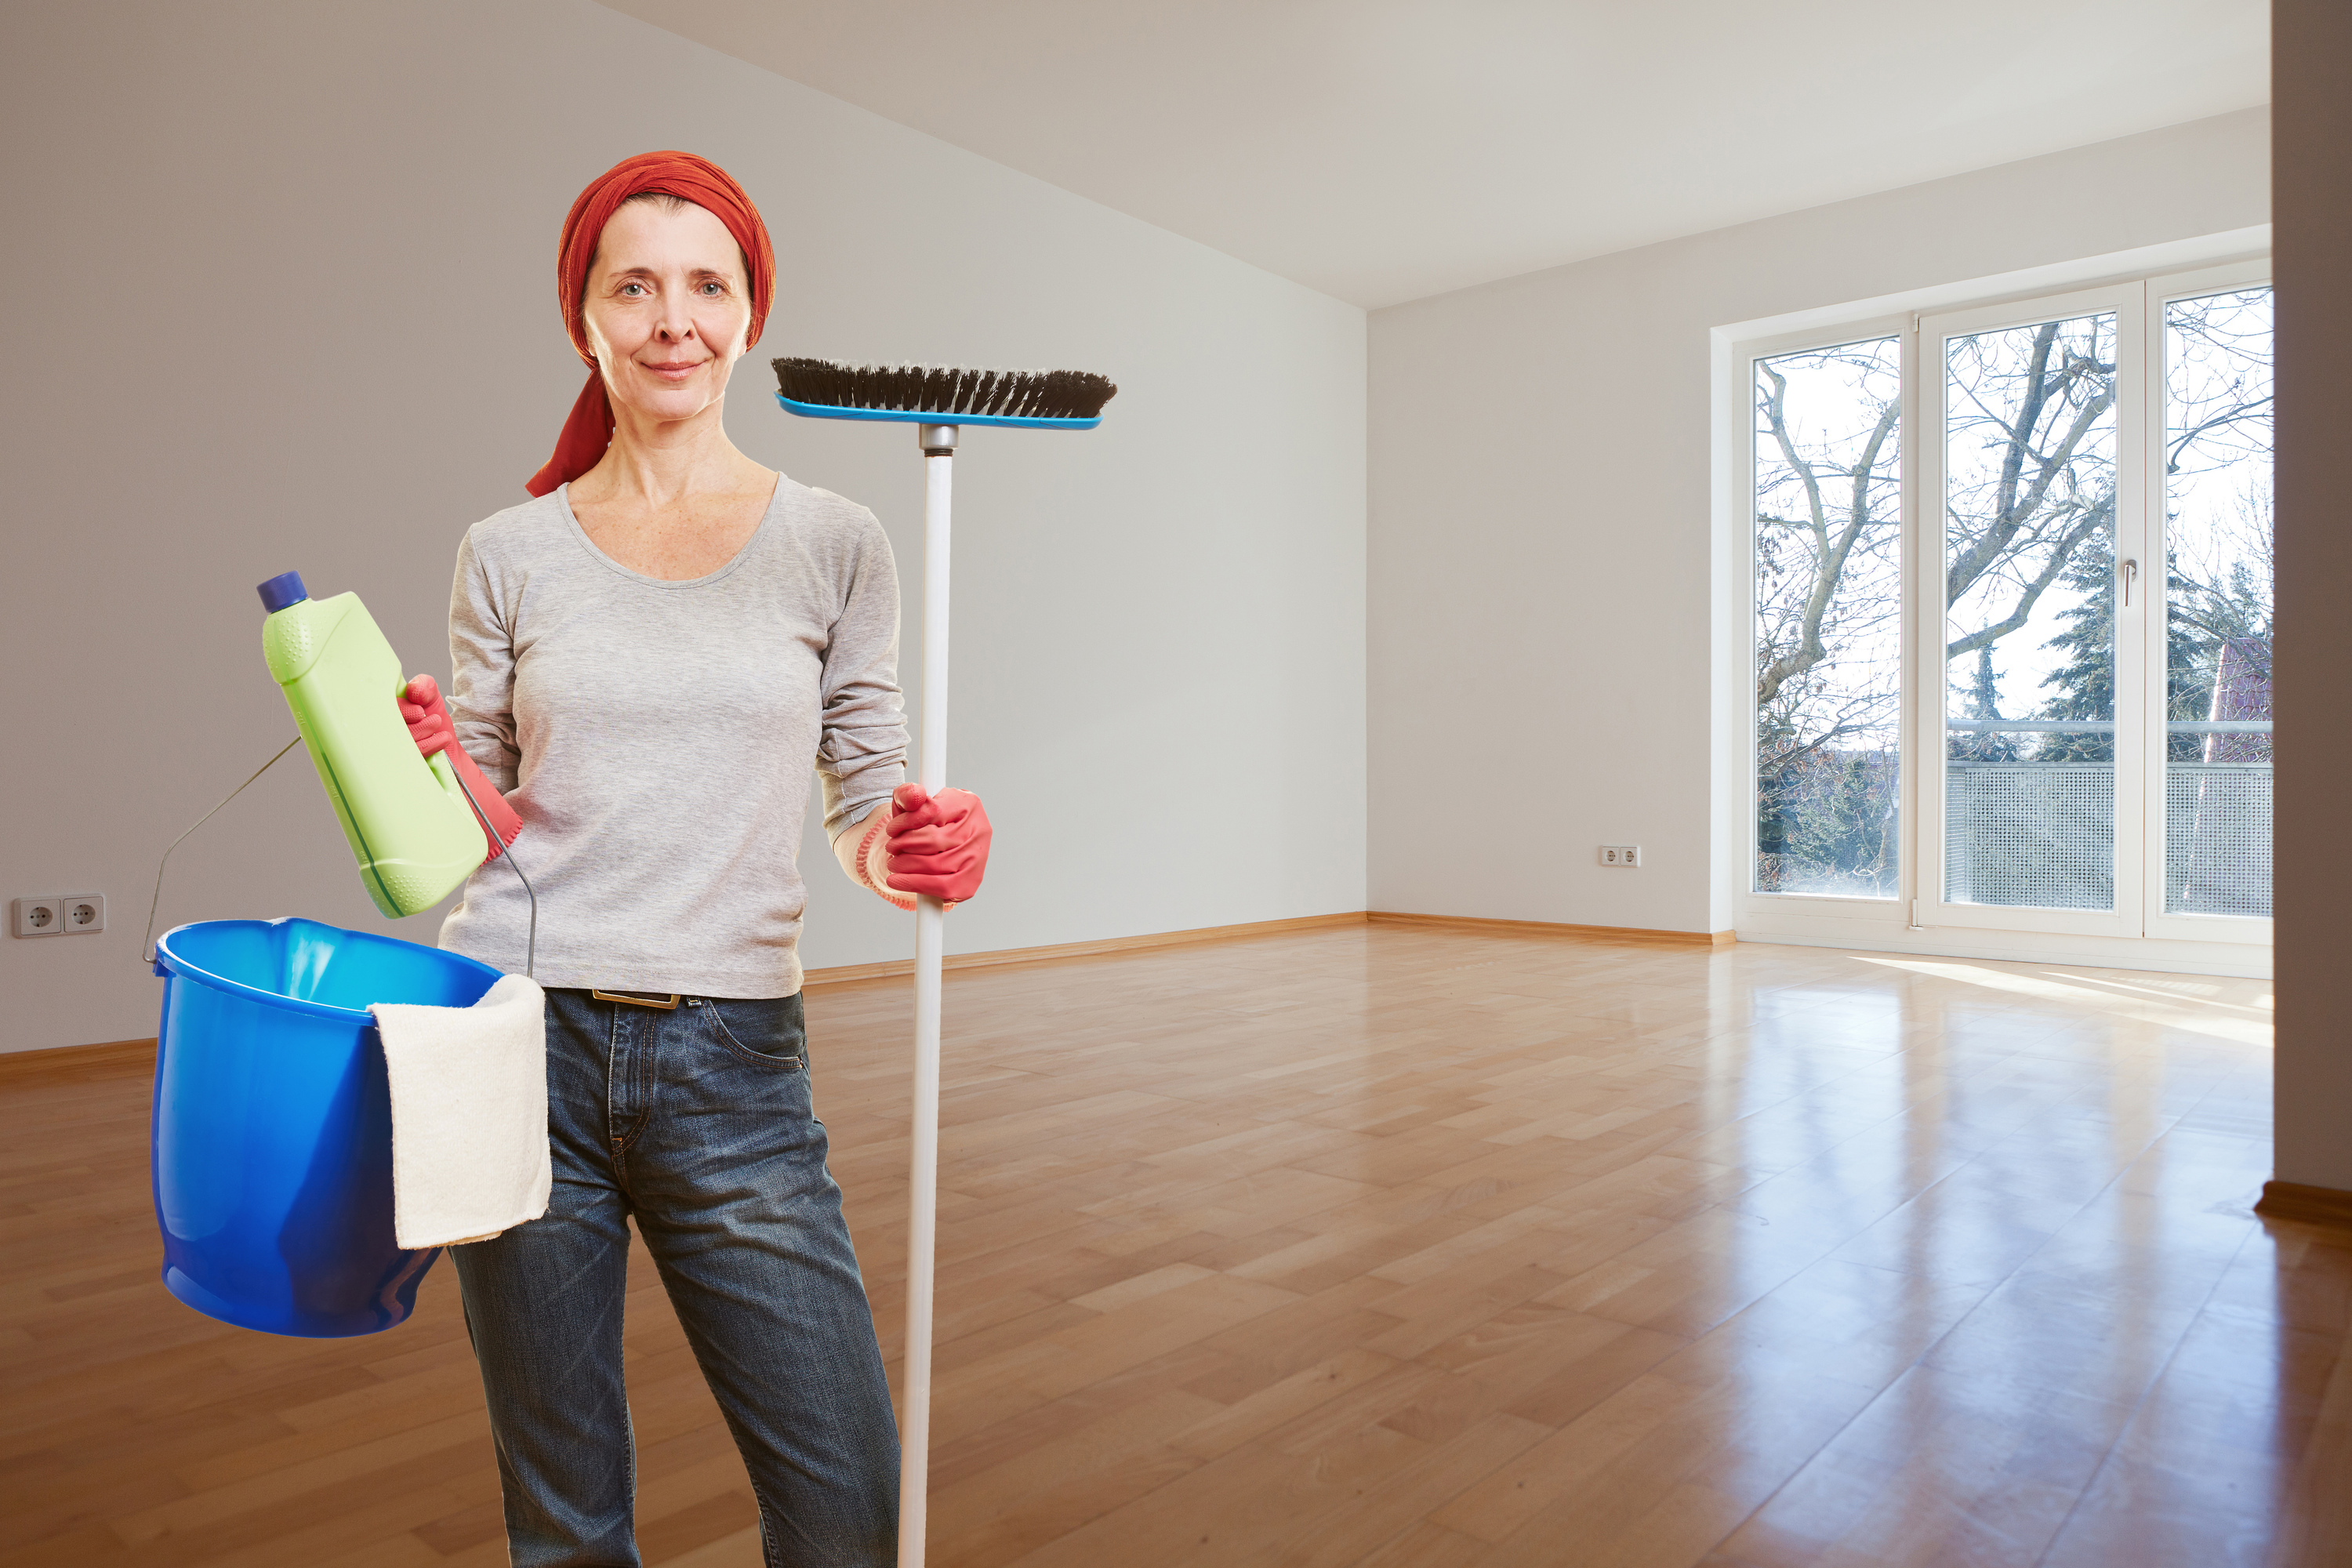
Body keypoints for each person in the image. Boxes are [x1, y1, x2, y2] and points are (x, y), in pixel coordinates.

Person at [394, 150, 990, 1568]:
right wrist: (425, 763)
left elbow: (862, 799)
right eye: (636, 285)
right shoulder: (507, 550)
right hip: (514, 1035)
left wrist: (913, 846)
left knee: (846, 1513)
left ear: (750, 312)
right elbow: (475, 832)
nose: (675, 318)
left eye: (708, 284)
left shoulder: (837, 543)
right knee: (564, 1519)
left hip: (734, 1060)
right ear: (585, 321)